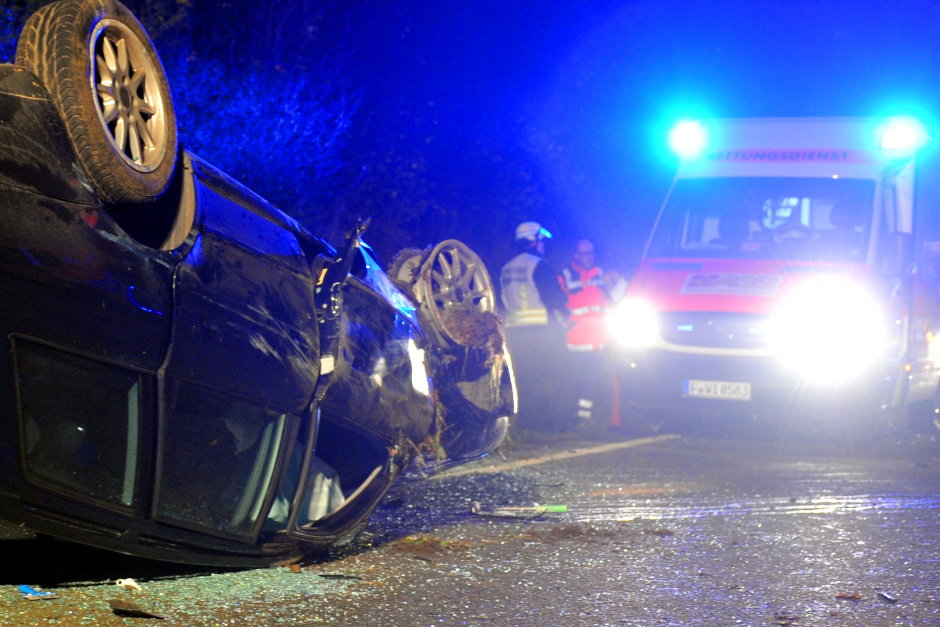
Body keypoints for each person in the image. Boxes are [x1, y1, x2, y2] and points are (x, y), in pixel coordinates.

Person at [500, 221, 572, 432]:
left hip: (515, 333)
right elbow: (555, 298)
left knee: (524, 380)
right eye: (542, 241)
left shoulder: (506, 268)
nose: (544, 246)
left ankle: (527, 426)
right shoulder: (538, 264)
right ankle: (557, 424)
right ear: (533, 241)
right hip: (541, 331)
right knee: (556, 376)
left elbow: (502, 300)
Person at [559, 239, 614, 429]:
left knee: (593, 380)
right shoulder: (565, 276)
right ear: (576, 255)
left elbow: (613, 302)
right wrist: (563, 328)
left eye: (591, 252)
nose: (588, 257)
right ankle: (571, 417)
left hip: (599, 341)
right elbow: (557, 305)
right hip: (574, 340)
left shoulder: (601, 275)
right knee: (575, 380)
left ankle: (585, 417)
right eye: (584, 253)